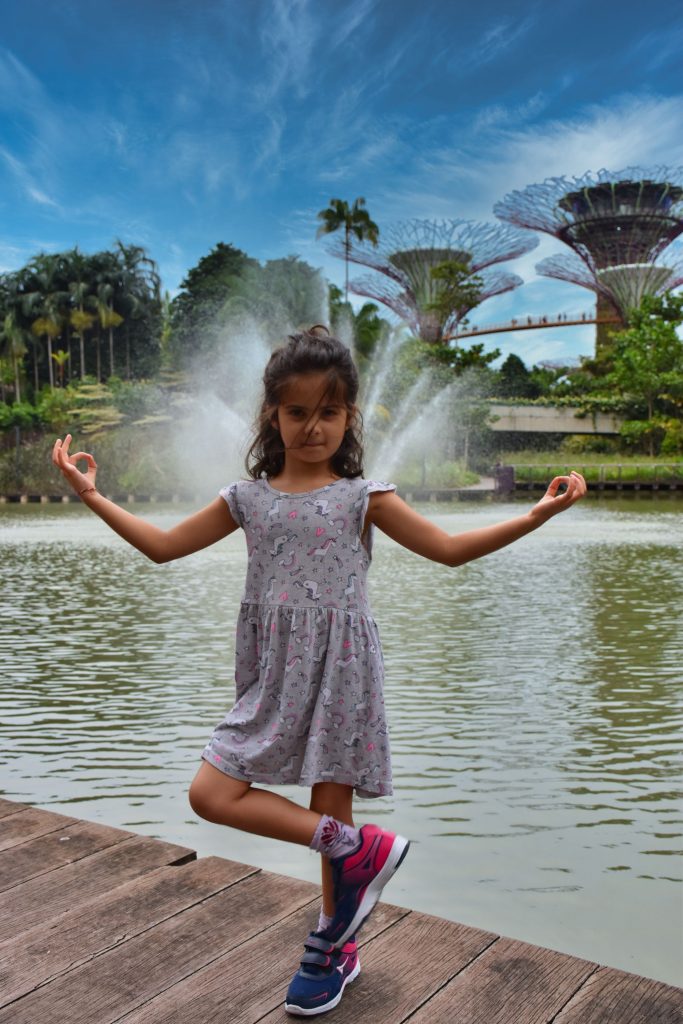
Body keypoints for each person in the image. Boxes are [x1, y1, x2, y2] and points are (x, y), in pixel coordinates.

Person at [52, 326, 587, 1016]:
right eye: (297, 411)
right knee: (211, 793)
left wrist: (534, 517)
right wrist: (93, 497)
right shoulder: (245, 499)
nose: (312, 427)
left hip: (340, 668)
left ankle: (335, 945)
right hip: (273, 671)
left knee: (327, 806)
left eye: (328, 412)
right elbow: (161, 547)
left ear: (349, 418)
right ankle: (359, 850)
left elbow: (449, 551)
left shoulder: (364, 496)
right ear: (272, 415)